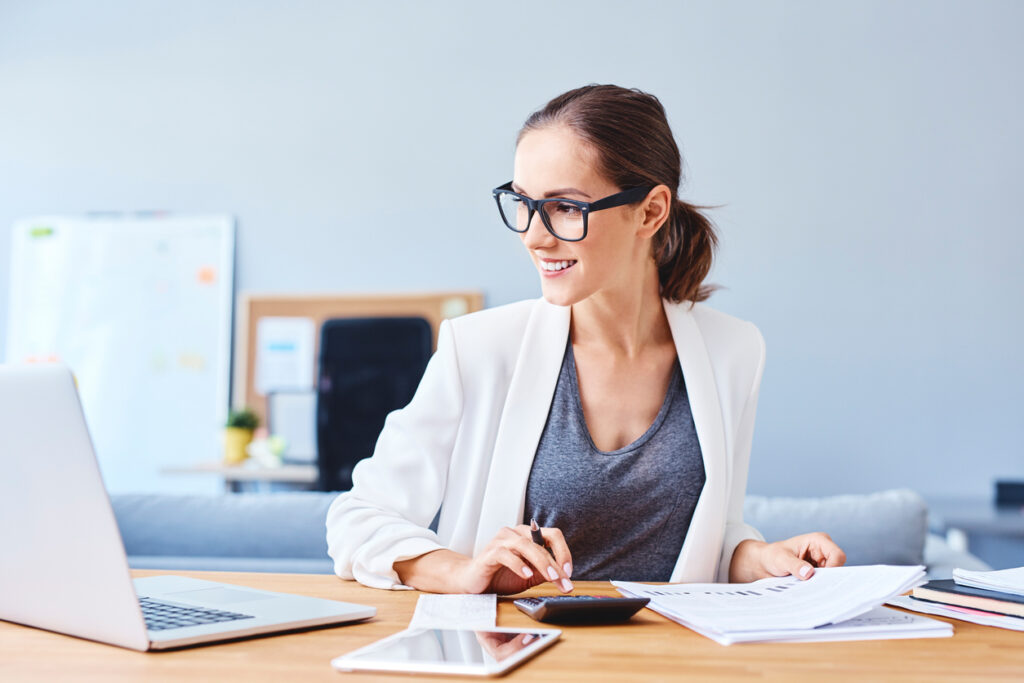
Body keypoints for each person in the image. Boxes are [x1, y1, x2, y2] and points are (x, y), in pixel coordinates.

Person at [326, 84, 846, 594]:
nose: (534, 235)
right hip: (519, 661)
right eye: (523, 202)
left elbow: (709, 530)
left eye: (566, 207)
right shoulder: (479, 349)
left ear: (650, 211)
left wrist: (756, 557)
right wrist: (462, 572)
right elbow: (359, 519)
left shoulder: (733, 352)